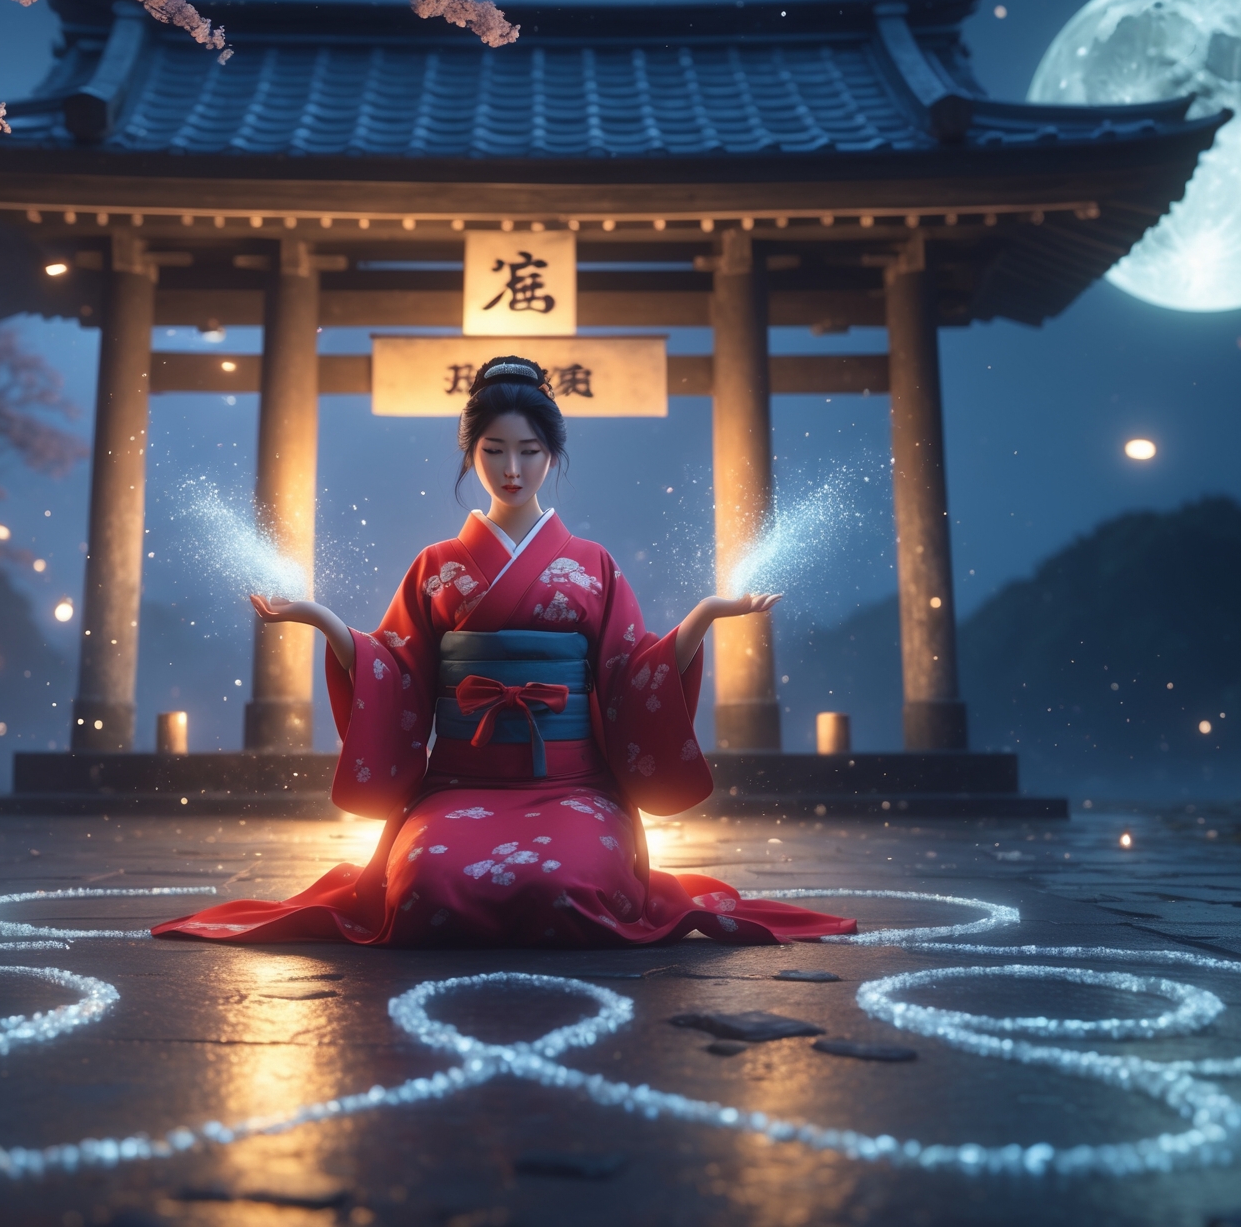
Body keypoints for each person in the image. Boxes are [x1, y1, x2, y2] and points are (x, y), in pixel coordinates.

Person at [155, 357, 855, 946]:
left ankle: (586, 857)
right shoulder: (437, 564)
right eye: (493, 450)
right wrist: (319, 620)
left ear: (553, 456)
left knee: (568, 889)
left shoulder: (594, 566)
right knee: (428, 890)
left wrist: (703, 617)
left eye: (529, 451)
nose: (511, 468)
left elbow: (629, 676)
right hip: (461, 784)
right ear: (471, 453)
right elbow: (396, 670)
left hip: (574, 788)